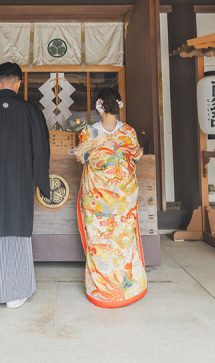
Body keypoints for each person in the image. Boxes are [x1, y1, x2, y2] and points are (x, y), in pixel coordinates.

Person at [0, 62, 51, 309]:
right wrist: (41, 181)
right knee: (17, 230)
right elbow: (41, 150)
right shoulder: (30, 111)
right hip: (19, 182)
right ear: (19, 83)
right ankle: (15, 294)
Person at [74, 87, 148, 308]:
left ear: (99, 106)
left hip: (97, 197)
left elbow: (81, 156)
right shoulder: (129, 132)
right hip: (124, 198)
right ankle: (127, 290)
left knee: (99, 243)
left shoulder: (87, 133)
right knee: (123, 244)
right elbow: (136, 154)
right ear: (118, 105)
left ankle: (101, 291)